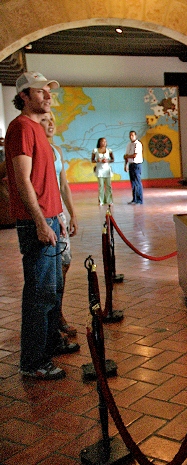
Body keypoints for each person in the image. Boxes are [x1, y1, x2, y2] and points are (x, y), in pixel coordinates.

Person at [5, 71, 79, 381]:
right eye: (41, 92)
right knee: (39, 293)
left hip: (51, 219)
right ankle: (33, 361)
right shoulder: (22, 127)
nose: (48, 97)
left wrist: (58, 220)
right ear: (24, 95)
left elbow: (50, 183)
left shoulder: (36, 129)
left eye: (49, 92)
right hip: (37, 222)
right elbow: (22, 180)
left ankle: (49, 347)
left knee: (52, 289)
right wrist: (39, 222)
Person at [40, 112, 79, 338]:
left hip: (59, 214)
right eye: (46, 120)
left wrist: (72, 214)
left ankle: (58, 314)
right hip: (46, 215)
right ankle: (51, 321)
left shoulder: (57, 151)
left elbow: (63, 185)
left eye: (53, 119)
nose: (51, 123)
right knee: (50, 271)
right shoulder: (34, 150)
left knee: (64, 264)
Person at [92, 137, 114, 206]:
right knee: (101, 186)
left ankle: (109, 200)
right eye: (102, 141)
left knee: (108, 186)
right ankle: (101, 200)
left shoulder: (109, 150)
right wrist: (97, 160)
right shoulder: (95, 150)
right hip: (99, 170)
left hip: (107, 170)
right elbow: (92, 160)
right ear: (99, 142)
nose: (104, 143)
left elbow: (112, 159)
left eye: (105, 141)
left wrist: (107, 161)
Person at [124, 130, 143, 204]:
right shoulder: (129, 144)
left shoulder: (138, 144)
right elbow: (126, 156)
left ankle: (139, 199)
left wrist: (127, 156)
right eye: (130, 135)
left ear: (136, 136)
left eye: (132, 135)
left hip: (137, 164)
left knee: (137, 182)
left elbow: (134, 155)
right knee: (133, 183)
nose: (131, 137)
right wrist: (125, 165)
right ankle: (134, 199)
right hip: (131, 164)